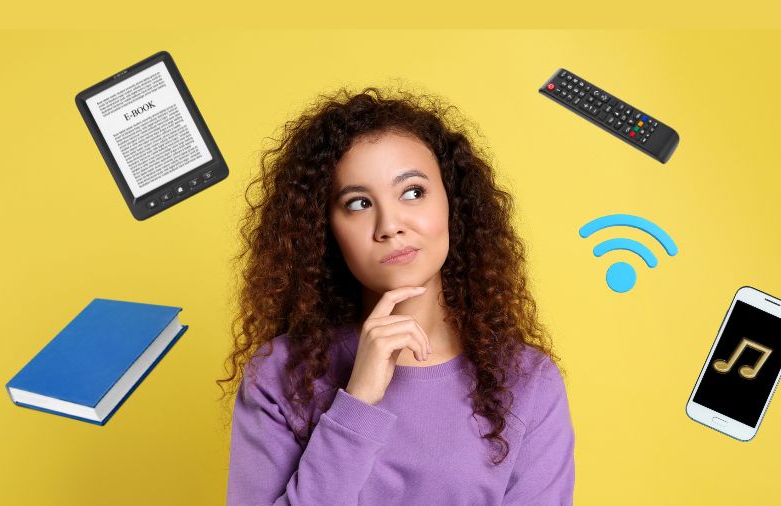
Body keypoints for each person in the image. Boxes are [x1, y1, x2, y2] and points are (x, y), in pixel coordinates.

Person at [219, 87, 575, 505]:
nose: (390, 225)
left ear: (452, 203)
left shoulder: (527, 380)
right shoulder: (278, 374)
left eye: (412, 192)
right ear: (324, 229)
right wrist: (357, 403)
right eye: (358, 203)